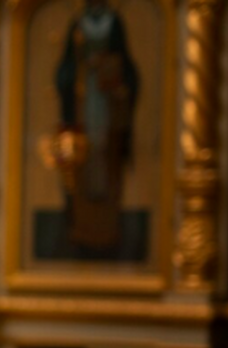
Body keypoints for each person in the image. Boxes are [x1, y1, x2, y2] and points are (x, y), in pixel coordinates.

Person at [55, 0, 139, 252]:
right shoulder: (77, 24)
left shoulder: (115, 23)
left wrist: (110, 71)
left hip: (109, 105)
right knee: (81, 161)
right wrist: (76, 75)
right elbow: (65, 69)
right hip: (82, 102)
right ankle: (80, 228)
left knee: (107, 158)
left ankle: (108, 230)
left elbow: (127, 67)